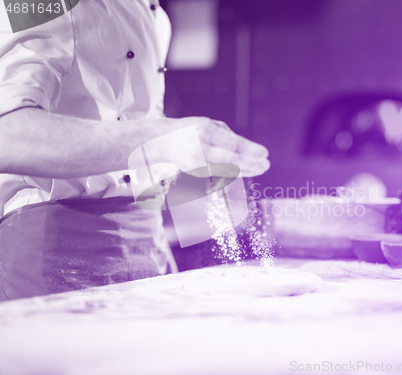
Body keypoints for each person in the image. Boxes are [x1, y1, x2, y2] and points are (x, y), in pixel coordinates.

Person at [0, 0, 270, 301]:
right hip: (54, 258)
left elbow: (132, 133)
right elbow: (8, 135)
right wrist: (162, 140)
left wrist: (186, 163)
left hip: (147, 250)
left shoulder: (154, 15)